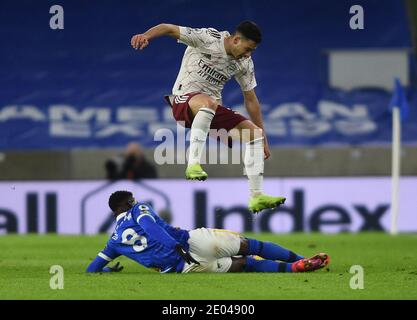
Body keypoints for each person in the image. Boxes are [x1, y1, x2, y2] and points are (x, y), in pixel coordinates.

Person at [130, 21, 285, 213]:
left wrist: (264, 139)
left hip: (209, 112)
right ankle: (193, 164)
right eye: (247, 49)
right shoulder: (207, 38)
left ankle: (256, 196)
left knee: (254, 135)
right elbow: (168, 28)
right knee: (208, 103)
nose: (248, 55)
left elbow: (251, 100)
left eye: (252, 51)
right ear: (236, 40)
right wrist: (146, 36)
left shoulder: (244, 63)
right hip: (183, 102)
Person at [86, 191, 330, 274]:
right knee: (250, 246)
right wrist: (174, 245)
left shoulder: (114, 241)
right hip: (189, 243)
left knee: (247, 265)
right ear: (128, 203)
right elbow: (149, 227)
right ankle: (300, 259)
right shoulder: (138, 208)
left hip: (184, 269)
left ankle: (296, 269)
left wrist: (107, 269)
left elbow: (91, 270)